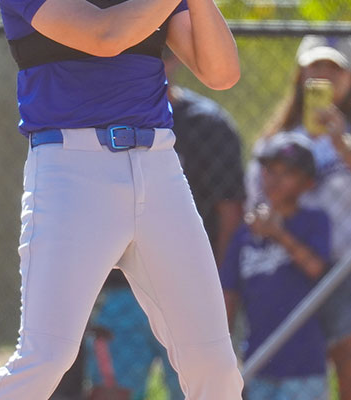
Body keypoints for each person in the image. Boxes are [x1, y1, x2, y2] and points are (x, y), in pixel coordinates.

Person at [0, 0, 244, 400]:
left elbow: (221, 72)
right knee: (44, 360)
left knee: (215, 368)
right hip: (71, 172)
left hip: (158, 170)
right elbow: (103, 35)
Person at [247, 35, 351, 400]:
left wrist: (343, 145)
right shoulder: (281, 134)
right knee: (292, 378)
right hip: (290, 269)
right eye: (315, 67)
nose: (323, 76)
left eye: (333, 68)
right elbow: (256, 200)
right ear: (300, 73)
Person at [84, 48, 246, 399]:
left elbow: (230, 213)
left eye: (154, 51)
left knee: (203, 389)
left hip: (187, 289)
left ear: (174, 58)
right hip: (118, 291)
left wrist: (222, 288)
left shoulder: (207, 126)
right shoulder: (96, 123)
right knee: (110, 392)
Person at [221, 132, 331, 400]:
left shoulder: (314, 221)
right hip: (258, 362)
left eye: (287, 172)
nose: (274, 179)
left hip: (304, 367)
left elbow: (316, 268)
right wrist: (226, 357)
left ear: (307, 183)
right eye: (269, 171)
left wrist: (278, 234)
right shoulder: (244, 234)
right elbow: (229, 295)